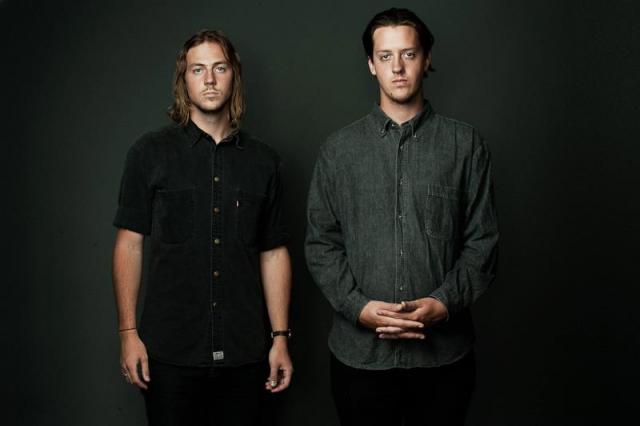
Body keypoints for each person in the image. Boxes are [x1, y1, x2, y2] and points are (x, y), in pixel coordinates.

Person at [305, 8, 498, 426]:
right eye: (385, 56)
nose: (397, 67)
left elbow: (482, 243)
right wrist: (357, 307)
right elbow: (321, 244)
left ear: (426, 60)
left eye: (408, 54)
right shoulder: (338, 151)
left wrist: (443, 304)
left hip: (444, 361)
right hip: (360, 360)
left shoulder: (465, 146)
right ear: (371, 64)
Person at [112, 29, 293, 426]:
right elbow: (129, 244)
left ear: (234, 76)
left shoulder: (265, 162)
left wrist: (280, 338)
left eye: (219, 68)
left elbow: (273, 253)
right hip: (169, 355)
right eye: (198, 69)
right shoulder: (149, 153)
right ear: (184, 79)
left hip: (245, 354)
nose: (209, 79)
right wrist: (128, 332)